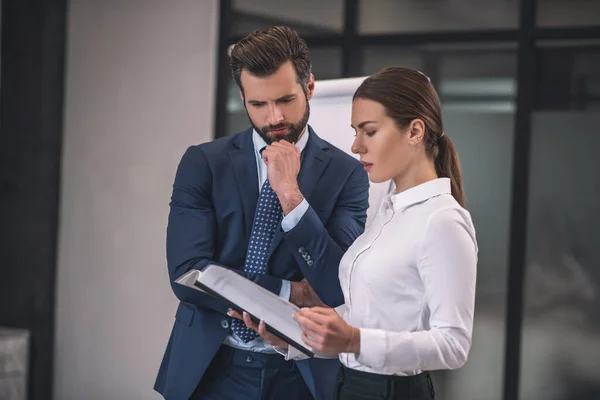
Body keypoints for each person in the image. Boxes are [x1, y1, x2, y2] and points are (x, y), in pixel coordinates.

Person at [153, 26, 370, 400]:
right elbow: (187, 275)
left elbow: (336, 287)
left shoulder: (348, 174)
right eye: (258, 104)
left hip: (300, 373)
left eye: (286, 100)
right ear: (242, 98)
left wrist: (290, 196)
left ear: (310, 87)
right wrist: (291, 290)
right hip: (209, 367)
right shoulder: (203, 163)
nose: (274, 118)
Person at [236, 67, 478, 400]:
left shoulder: (442, 221)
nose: (355, 146)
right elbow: (365, 319)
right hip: (350, 386)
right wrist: (294, 336)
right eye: (355, 132)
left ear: (415, 131)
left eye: (370, 132)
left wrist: (353, 340)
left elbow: (454, 345)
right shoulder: (389, 212)